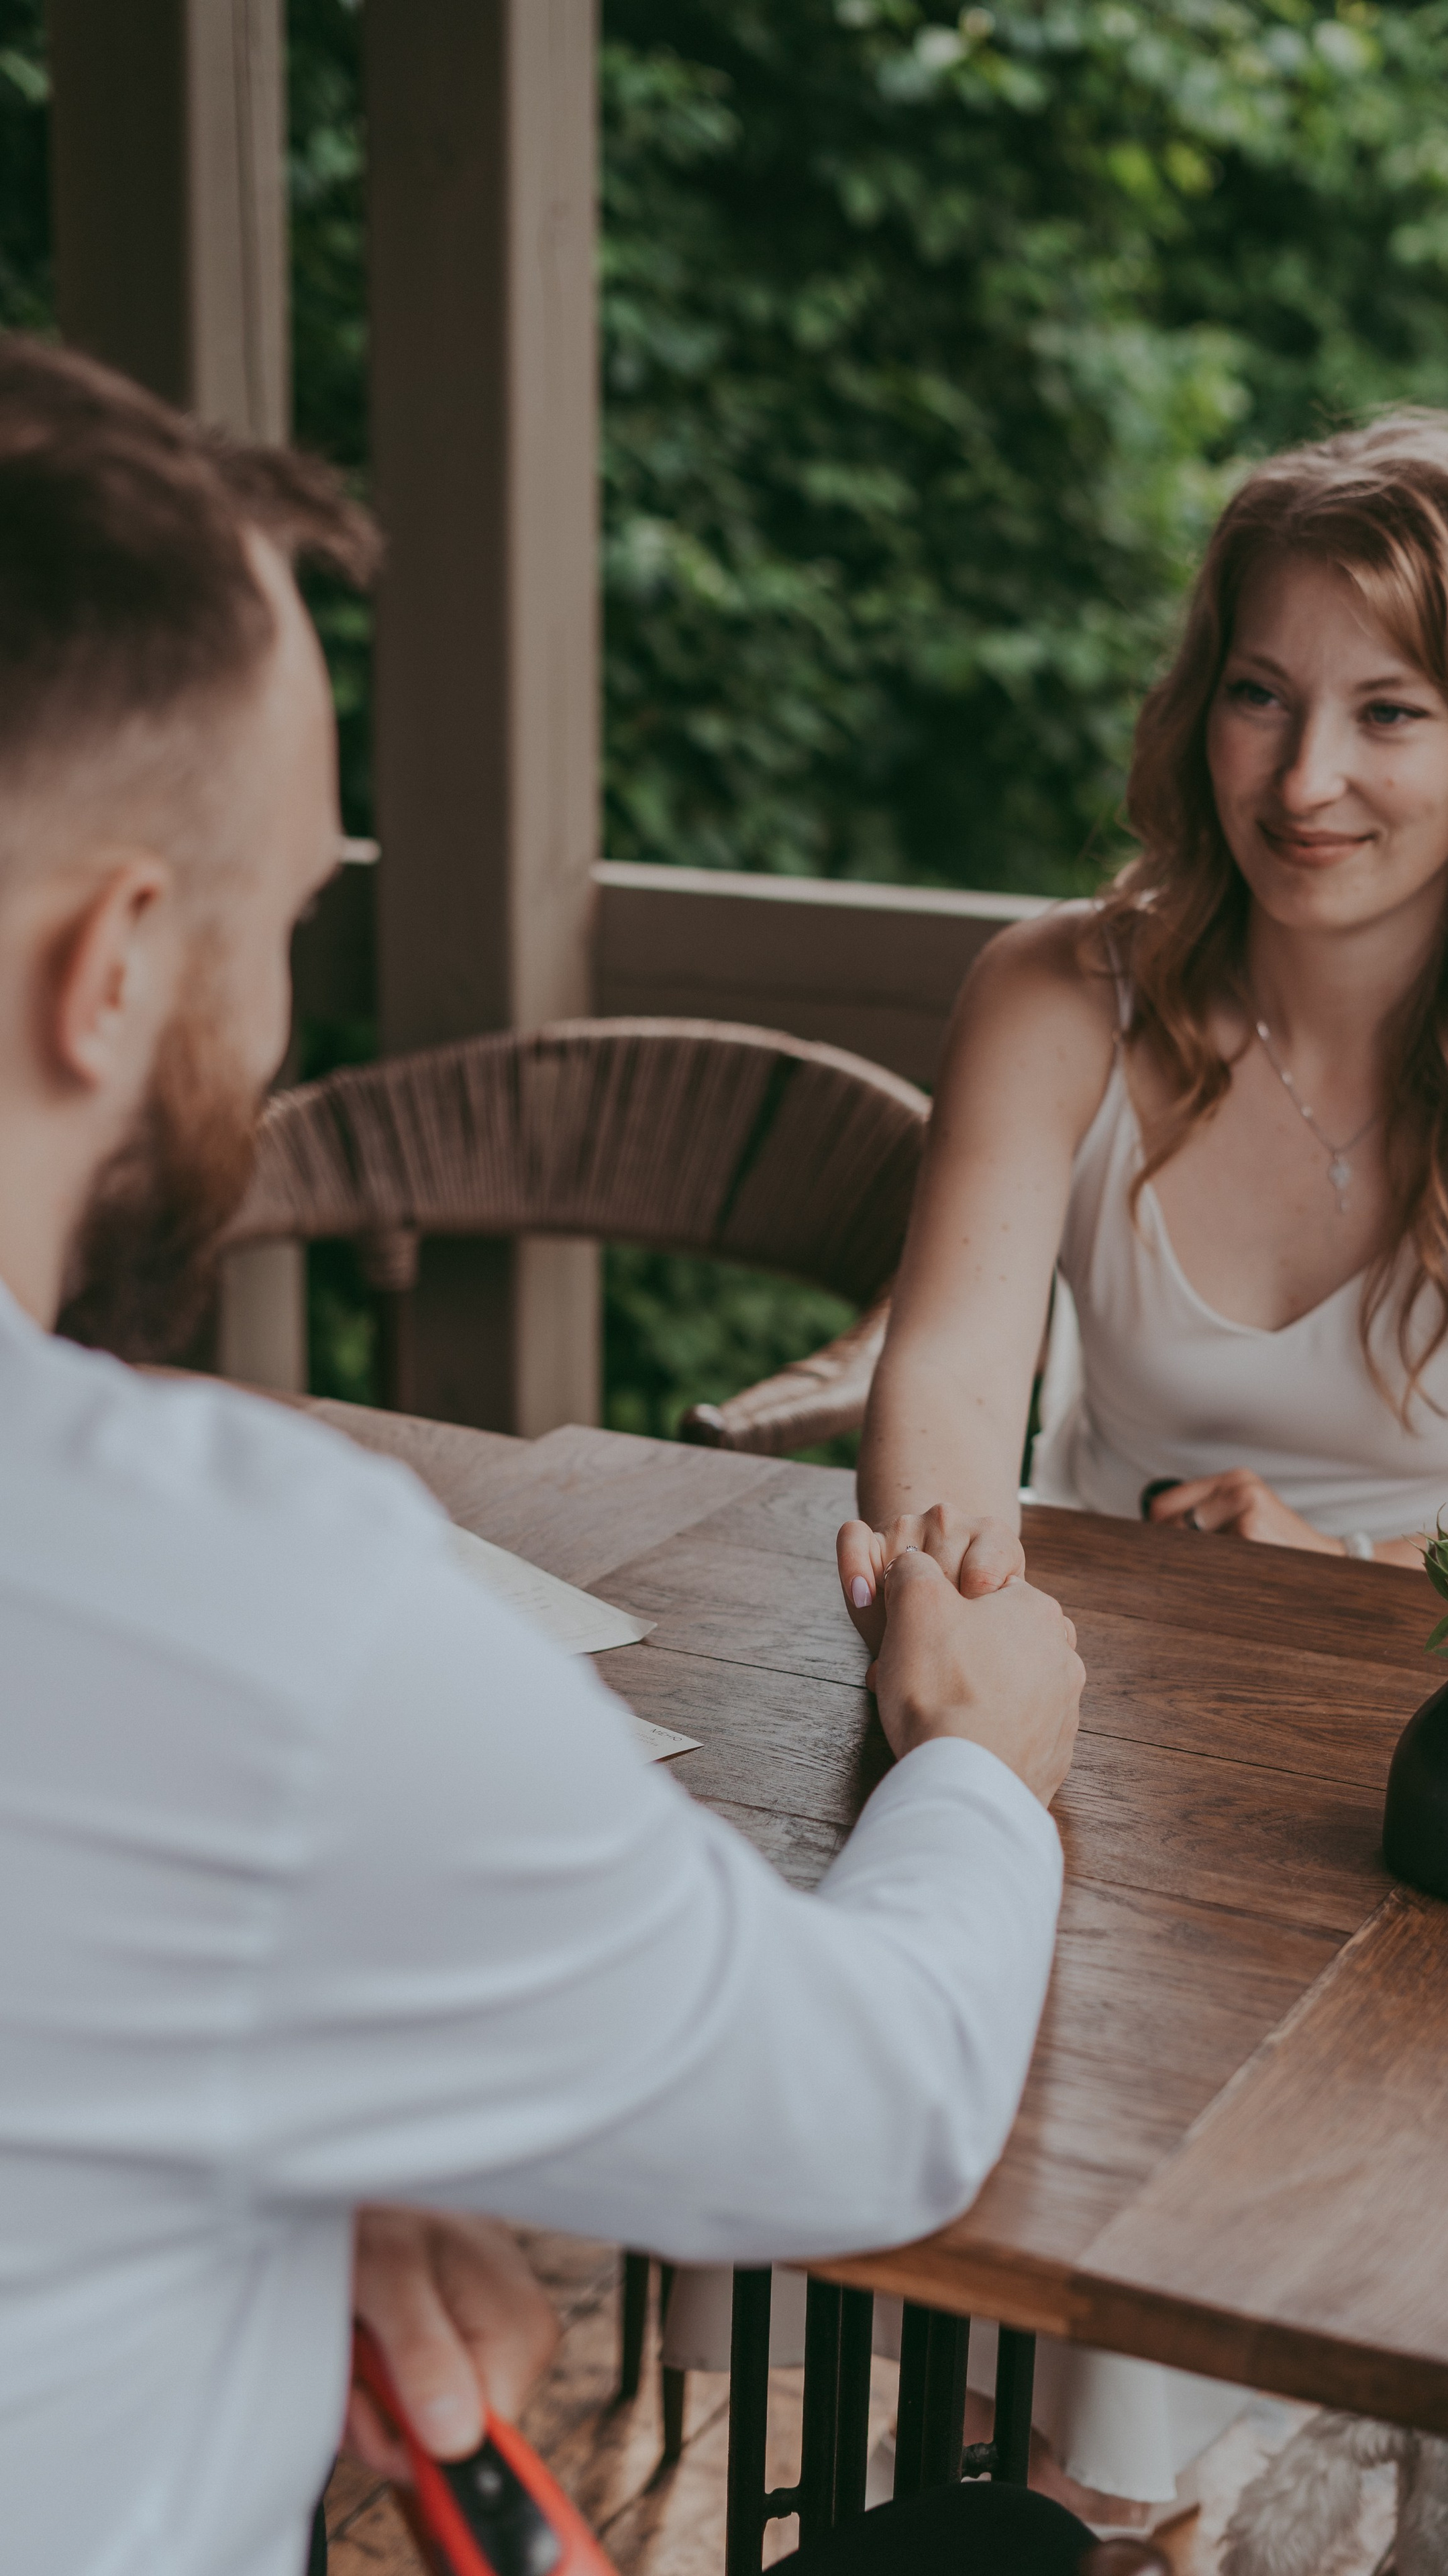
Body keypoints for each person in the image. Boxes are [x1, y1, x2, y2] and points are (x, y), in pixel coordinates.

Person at [0, 337, 1100, 2576]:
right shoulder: (248, 1622)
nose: (282, 1005)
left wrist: (260, 2184)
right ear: (117, 964)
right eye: (282, 923)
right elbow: (866, 2111)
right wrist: (980, 1766)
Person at [839, 410, 1448, 2511]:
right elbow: (948, 1386)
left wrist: (1436, 1577)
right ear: (1199, 705)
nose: (1303, 780)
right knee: (1051, 2352)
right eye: (1260, 693)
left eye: (1387, 711)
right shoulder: (1059, 990)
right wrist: (967, 1616)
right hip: (1111, 1742)